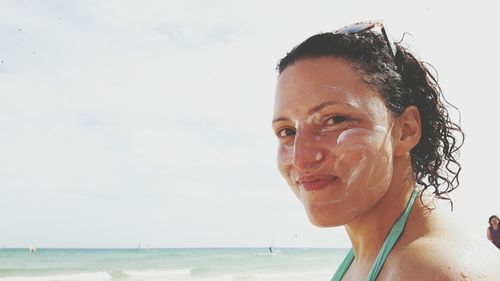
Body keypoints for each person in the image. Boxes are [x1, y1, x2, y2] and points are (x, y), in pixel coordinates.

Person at [272, 21, 500, 280]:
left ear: (405, 130)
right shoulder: (371, 253)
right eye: (287, 131)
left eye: (335, 120)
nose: (301, 159)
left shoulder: (425, 270)